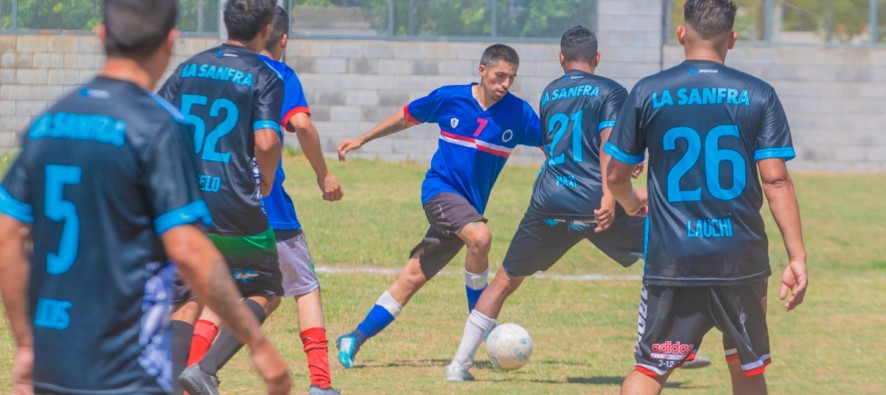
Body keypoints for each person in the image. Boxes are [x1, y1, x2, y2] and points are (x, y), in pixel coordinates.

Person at [0, 1, 291, 394]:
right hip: (124, 366)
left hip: (52, 360)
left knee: (184, 299)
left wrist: (27, 344)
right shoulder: (157, 127)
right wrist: (256, 343)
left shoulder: (49, 122)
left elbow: (7, 237)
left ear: (101, 36)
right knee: (203, 294)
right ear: (170, 42)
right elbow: (189, 252)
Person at [604, 1, 808, 394]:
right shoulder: (759, 94)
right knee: (746, 369)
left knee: (650, 370)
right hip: (740, 260)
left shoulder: (648, 91)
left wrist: (630, 202)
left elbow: (615, 174)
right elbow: (776, 180)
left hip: (673, 259)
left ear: (681, 33)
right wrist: (796, 257)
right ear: (732, 39)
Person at [444, 24, 646, 382]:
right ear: (597, 58)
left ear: (561, 59)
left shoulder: (551, 92)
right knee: (662, 250)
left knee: (505, 279)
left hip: (549, 199)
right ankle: (660, 349)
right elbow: (606, 143)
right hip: (593, 201)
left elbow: (562, 146)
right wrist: (608, 195)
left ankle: (458, 365)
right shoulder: (611, 90)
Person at [335, 44, 543, 369]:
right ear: (482, 70)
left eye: (511, 78)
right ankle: (484, 326)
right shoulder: (450, 98)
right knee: (481, 238)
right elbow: (406, 117)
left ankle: (354, 337)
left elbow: (553, 147)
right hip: (439, 193)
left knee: (412, 277)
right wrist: (363, 138)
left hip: (467, 210)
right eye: (499, 76)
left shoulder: (519, 114)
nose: (504, 84)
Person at [185, 6, 344, 395]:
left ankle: (189, 377)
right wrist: (323, 174)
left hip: (210, 201)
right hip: (262, 202)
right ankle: (320, 384)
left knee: (220, 292)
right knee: (298, 288)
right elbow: (301, 125)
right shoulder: (277, 74)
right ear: (281, 38)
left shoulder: (211, 70)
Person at [157, 0, 286, 393]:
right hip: (233, 204)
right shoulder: (265, 75)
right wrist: (265, 180)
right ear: (266, 30)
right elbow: (266, 141)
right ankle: (205, 369)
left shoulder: (188, 66)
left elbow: (156, 120)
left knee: (187, 295)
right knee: (265, 291)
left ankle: (173, 384)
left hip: (183, 204)